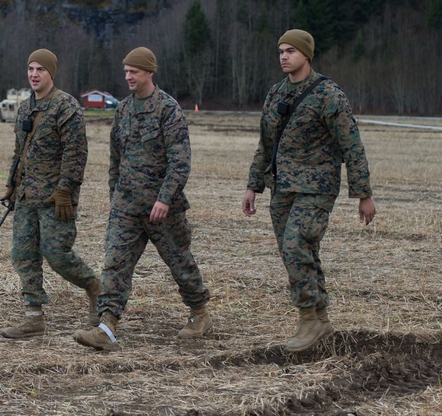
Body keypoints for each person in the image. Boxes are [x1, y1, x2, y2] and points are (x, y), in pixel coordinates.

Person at [242, 29, 376, 352]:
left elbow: (351, 145)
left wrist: (364, 193)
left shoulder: (328, 95)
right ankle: (320, 316)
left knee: (295, 245)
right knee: (300, 254)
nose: (284, 56)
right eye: (281, 51)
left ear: (306, 55)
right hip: (283, 188)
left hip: (316, 188)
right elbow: (265, 144)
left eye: (291, 51)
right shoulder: (275, 95)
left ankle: (308, 319)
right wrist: (253, 185)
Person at [74, 47, 211, 351]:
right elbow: (115, 158)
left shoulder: (167, 109)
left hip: (163, 209)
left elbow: (180, 161)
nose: (128, 77)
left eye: (134, 71)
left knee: (180, 264)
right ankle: (106, 327)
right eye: (126, 72)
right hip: (127, 208)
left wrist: (164, 198)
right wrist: (115, 195)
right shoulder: (122, 109)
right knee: (114, 264)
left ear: (150, 72)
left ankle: (200, 312)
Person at [0, 49, 101, 339]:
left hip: (55, 198)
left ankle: (94, 287)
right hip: (26, 196)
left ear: (51, 74)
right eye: (30, 69)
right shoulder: (25, 108)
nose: (34, 74)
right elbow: (20, 151)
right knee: (23, 254)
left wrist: (65, 191)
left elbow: (76, 153)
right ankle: (33, 316)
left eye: (40, 70)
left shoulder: (65, 106)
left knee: (57, 254)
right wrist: (11, 183)